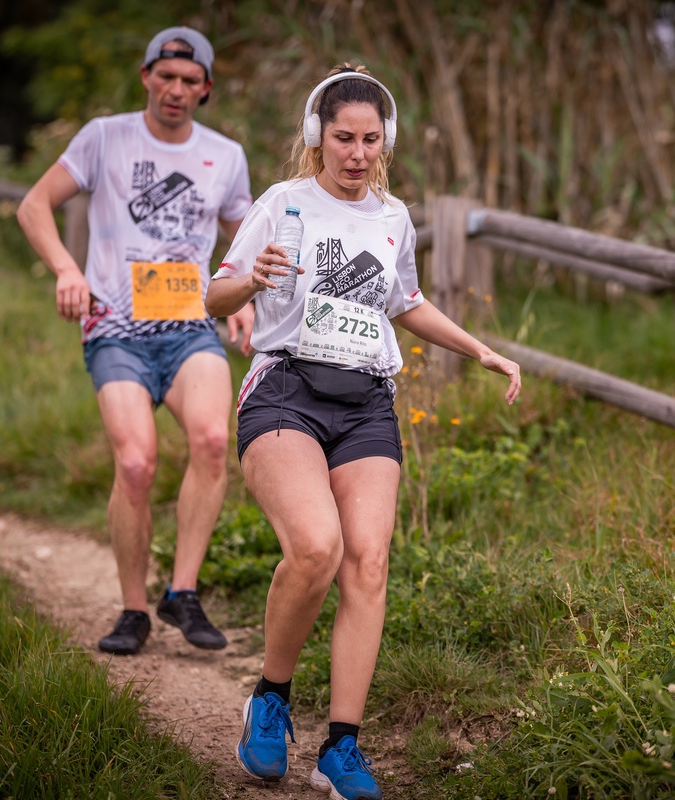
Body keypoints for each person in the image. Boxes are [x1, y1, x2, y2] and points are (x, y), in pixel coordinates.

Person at [205, 65, 521, 800]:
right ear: (317, 137)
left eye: (369, 140)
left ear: (386, 140)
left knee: (368, 563)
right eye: (343, 138)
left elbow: (405, 300)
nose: (356, 153)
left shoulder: (393, 216)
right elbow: (215, 293)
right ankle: (271, 698)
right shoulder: (283, 202)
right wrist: (251, 280)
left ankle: (340, 748)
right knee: (317, 546)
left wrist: (479, 350)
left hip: (366, 401)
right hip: (285, 388)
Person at [17, 26, 254, 657]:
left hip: (190, 325)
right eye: (165, 76)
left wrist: (245, 298)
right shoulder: (104, 137)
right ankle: (132, 609)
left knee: (212, 440)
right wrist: (67, 270)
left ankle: (182, 592)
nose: (175, 89)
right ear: (146, 76)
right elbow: (33, 206)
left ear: (205, 89)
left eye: (189, 81)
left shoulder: (225, 155)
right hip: (115, 328)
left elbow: (246, 237)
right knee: (136, 463)